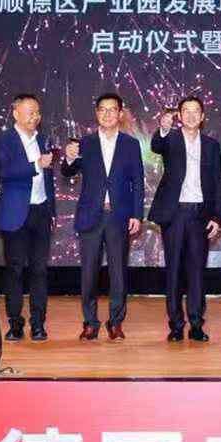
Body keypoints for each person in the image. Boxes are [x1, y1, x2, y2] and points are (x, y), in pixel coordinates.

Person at [61, 91, 145, 341]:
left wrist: (137, 214)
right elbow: (67, 171)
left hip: (119, 217)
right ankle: (90, 322)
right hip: (91, 217)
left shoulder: (130, 144)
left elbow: (138, 182)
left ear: (120, 114)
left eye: (112, 109)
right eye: (103, 109)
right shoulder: (84, 143)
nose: (108, 114)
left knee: (118, 274)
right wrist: (69, 157)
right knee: (88, 274)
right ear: (97, 113)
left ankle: (115, 322)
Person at [150, 95, 221, 343]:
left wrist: (217, 217)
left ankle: (196, 324)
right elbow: (156, 145)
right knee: (173, 271)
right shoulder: (170, 139)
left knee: (196, 272)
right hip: (175, 213)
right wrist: (163, 128)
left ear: (202, 117)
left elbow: (218, 183)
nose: (191, 115)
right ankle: (175, 325)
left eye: (196, 111)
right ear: (179, 116)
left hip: (200, 215)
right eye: (186, 111)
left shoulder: (212, 145)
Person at [0, 91, 55, 341]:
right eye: (30, 112)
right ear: (15, 113)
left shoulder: (44, 139)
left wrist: (51, 210)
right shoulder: (4, 140)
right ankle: (15, 323)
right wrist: (36, 165)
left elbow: (49, 180)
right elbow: (3, 172)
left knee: (39, 270)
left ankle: (38, 324)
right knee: (15, 270)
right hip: (15, 213)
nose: (35, 117)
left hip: (41, 212)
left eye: (37, 112)